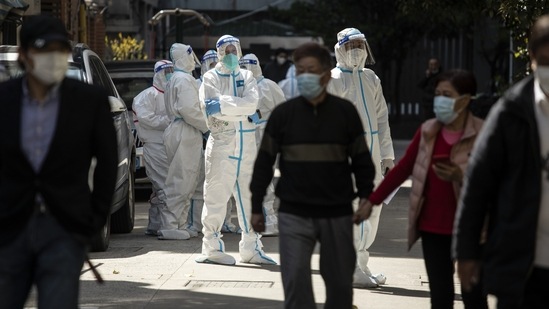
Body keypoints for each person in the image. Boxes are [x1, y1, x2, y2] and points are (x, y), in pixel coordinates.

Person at [0, 15, 118, 308]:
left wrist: (95, 219)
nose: (54, 58)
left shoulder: (89, 100)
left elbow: (107, 161)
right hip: (10, 227)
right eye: (45, 49)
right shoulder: (4, 100)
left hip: (64, 228)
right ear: (25, 54)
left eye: (60, 49)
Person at [250, 42, 376, 309]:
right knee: (295, 281)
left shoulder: (345, 113)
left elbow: (362, 160)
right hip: (294, 211)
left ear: (327, 74)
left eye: (313, 70)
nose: (306, 75)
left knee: (340, 283)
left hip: (337, 211)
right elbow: (264, 163)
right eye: (301, 70)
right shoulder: (283, 115)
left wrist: (367, 196)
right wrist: (256, 207)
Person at [354, 69, 487, 308]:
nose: (440, 100)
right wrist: (371, 201)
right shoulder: (428, 131)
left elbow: (497, 179)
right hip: (433, 226)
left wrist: (462, 176)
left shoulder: (483, 133)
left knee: (473, 294)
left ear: (465, 99)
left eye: (447, 94)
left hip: (471, 227)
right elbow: (402, 170)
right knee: (441, 296)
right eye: (437, 94)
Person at [453, 15, 549, 309]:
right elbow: (478, 185)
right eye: (547, 59)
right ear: (532, 56)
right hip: (523, 265)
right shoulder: (511, 112)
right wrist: (466, 253)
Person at [196, 34, 276, 265]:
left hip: (247, 145)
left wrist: (225, 104)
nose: (231, 55)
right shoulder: (209, 77)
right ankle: (211, 247)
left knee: (250, 197)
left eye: (234, 50)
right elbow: (211, 109)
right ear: (219, 53)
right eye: (226, 51)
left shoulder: (247, 76)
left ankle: (251, 248)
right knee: (216, 196)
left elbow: (252, 103)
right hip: (222, 145)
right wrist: (242, 112)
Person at [327, 27, 395, 288]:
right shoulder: (331, 79)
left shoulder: (371, 78)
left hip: (372, 153)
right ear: (340, 50)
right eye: (350, 45)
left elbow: (381, 118)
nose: (355, 50)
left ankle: (361, 265)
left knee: (372, 209)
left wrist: (387, 154)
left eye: (359, 45)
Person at [158, 43, 209, 240]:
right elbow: (190, 110)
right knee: (181, 179)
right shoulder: (184, 79)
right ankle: (170, 224)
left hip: (181, 130)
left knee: (187, 179)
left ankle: (178, 223)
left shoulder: (177, 78)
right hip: (185, 131)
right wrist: (209, 127)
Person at [239, 53, 286, 236]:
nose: (246, 69)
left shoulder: (269, 85)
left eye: (249, 65)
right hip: (247, 136)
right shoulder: (241, 87)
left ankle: (269, 221)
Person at [132, 60, 174, 236]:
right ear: (157, 74)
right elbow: (147, 119)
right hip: (154, 147)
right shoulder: (145, 96)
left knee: (162, 188)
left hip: (171, 146)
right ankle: (167, 227)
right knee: (165, 187)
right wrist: (170, 120)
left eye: (172, 70)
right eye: (166, 71)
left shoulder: (174, 94)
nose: (170, 74)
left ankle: (155, 225)